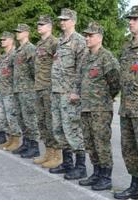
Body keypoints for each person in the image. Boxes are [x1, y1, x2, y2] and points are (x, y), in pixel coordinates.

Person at [74, 22, 120, 191]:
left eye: (90, 35)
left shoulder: (106, 57)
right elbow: (80, 80)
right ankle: (96, 173)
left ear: (99, 38)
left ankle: (106, 177)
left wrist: (106, 97)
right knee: (90, 142)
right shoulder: (86, 57)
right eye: (86, 35)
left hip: (100, 109)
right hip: (86, 107)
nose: (87, 38)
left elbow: (115, 81)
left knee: (101, 143)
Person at [49, 8, 87, 180]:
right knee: (59, 129)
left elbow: (82, 69)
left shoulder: (79, 41)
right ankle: (67, 163)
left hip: (69, 94)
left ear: (73, 21)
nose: (62, 22)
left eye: (65, 19)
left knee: (72, 129)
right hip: (57, 91)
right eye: (61, 20)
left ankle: (80, 166)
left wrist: (76, 91)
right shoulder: (60, 41)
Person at [114, 5, 138, 199]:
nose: (131, 21)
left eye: (135, 19)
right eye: (130, 18)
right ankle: (135, 185)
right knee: (129, 149)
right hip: (126, 108)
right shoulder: (127, 47)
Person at [33, 15, 62, 168]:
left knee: (51, 123)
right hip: (39, 87)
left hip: (49, 88)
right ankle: (48, 152)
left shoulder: (55, 43)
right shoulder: (39, 44)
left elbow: (58, 66)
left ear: (50, 26)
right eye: (38, 24)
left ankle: (57, 155)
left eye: (42, 24)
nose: (39, 26)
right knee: (42, 122)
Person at [12, 24, 40, 158]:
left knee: (30, 119)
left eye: (20, 32)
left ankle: (34, 146)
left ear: (27, 33)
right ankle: (26, 143)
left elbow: (35, 70)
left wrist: (31, 86)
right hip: (18, 89)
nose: (17, 34)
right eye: (16, 32)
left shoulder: (30, 49)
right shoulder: (19, 50)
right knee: (21, 118)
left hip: (28, 90)